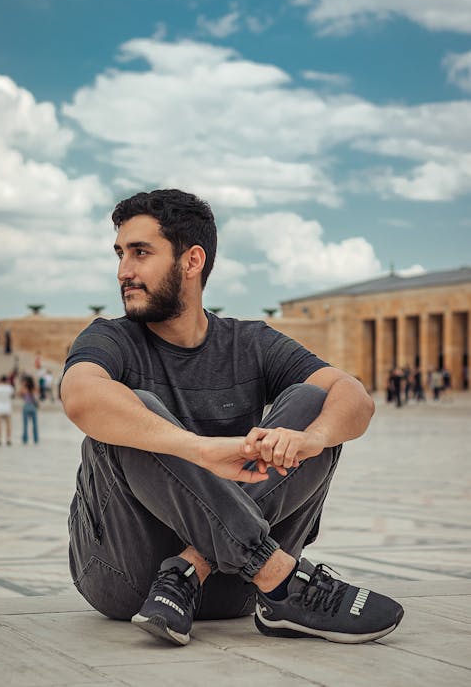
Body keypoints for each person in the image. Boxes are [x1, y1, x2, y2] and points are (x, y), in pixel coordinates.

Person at [61, 188, 403, 648]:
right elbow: (81, 397)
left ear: (192, 260)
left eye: (141, 253)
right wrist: (199, 450)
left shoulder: (250, 343)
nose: (125, 270)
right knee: (127, 406)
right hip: (125, 579)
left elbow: (355, 399)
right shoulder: (111, 339)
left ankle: (191, 568)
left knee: (312, 401)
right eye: (121, 254)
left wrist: (312, 439)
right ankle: (283, 579)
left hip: (232, 588)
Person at [19, 375, 39, 444]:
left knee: (25, 424)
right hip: (33, 407)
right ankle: (36, 439)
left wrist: (22, 385)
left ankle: (25, 439)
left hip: (26, 406)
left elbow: (20, 394)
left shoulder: (25, 389)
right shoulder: (34, 388)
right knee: (35, 424)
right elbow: (36, 396)